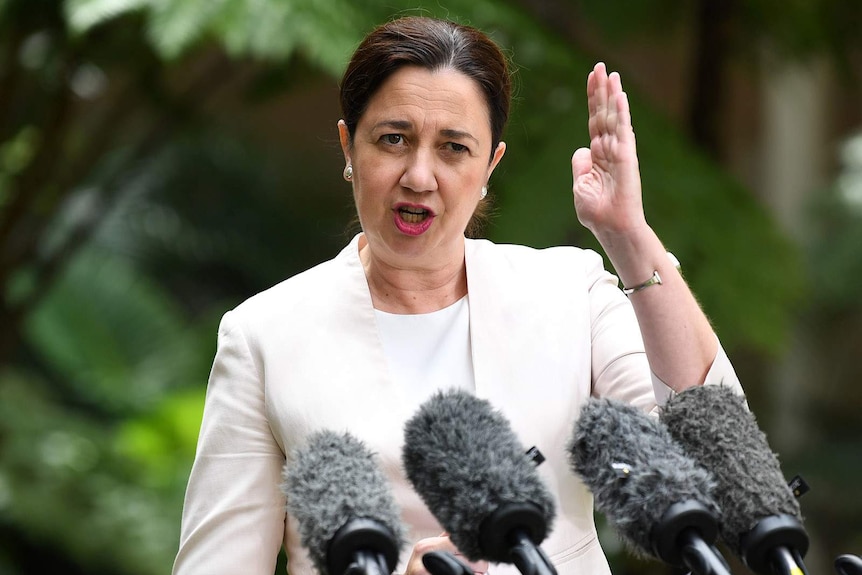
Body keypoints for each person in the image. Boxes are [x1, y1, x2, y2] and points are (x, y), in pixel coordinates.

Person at [171, 15, 743, 575]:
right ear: (349, 147)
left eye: (453, 148)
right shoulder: (263, 336)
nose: (419, 176)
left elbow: (713, 450)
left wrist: (629, 237)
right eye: (393, 139)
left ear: (491, 162)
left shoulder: (572, 291)